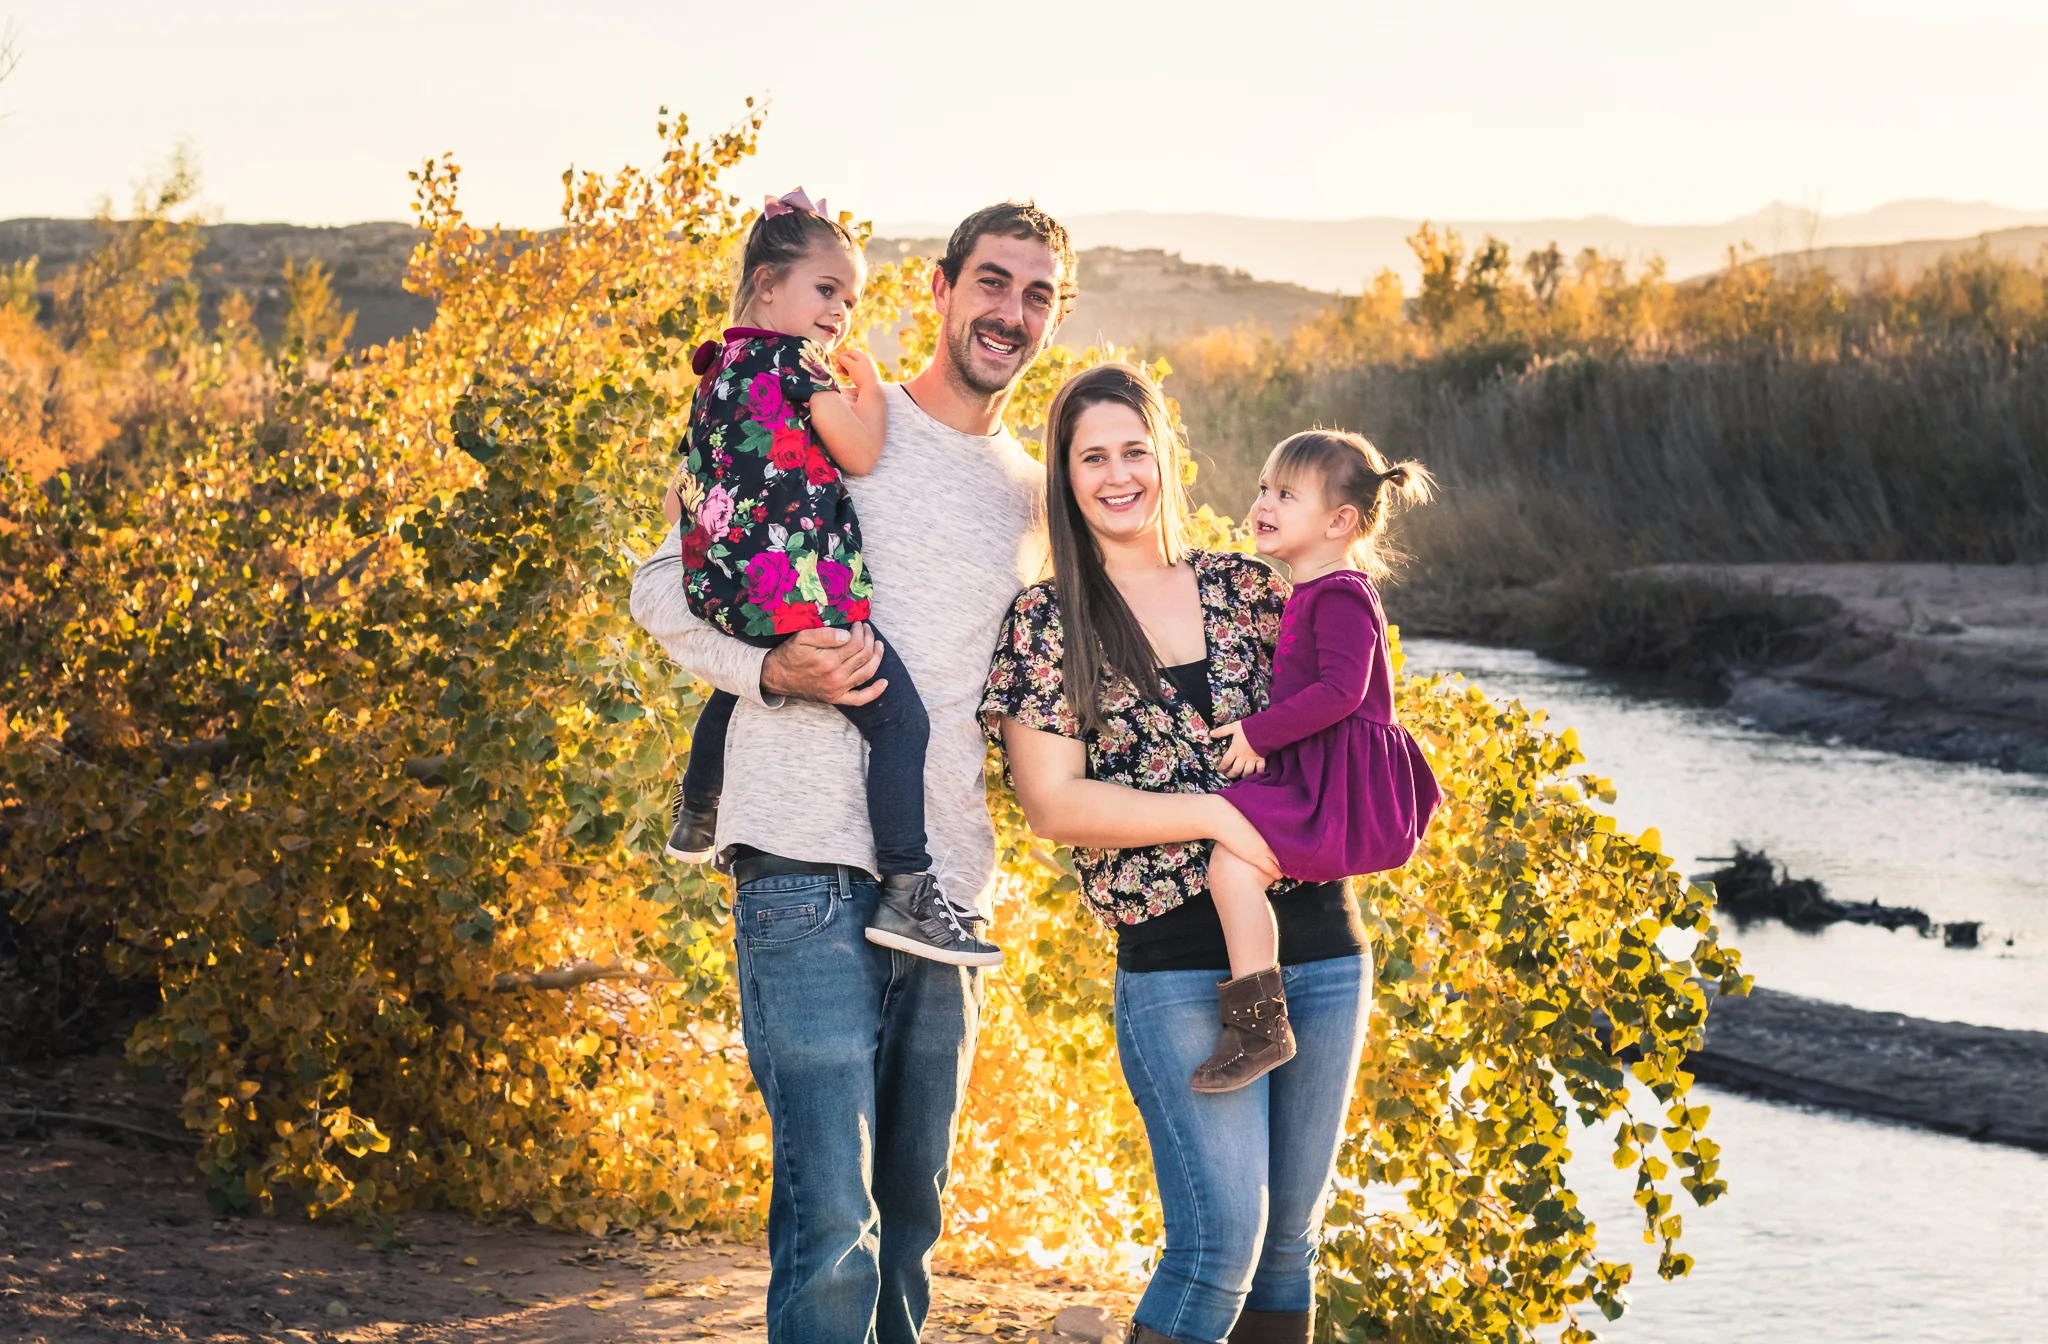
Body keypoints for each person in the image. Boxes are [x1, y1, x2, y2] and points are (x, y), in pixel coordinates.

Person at [631, 202, 1073, 1344]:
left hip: (946, 889)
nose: (1008, 311)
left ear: (1052, 318)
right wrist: (773, 668)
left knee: (909, 1225)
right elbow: (657, 589)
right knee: (831, 1224)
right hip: (801, 861)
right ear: (938, 290)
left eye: (1035, 294)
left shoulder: (1033, 496)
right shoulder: (829, 412)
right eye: (991, 282)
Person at [981, 365, 1368, 1344]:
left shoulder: (1251, 589)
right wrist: (1218, 817)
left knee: (1289, 1240)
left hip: (1319, 941)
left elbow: (1342, 715)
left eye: (1133, 451)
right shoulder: (1045, 622)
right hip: (1173, 960)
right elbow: (1053, 804)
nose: (1117, 476)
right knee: (1218, 1239)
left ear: (1165, 456)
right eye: (1091, 457)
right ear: (1064, 479)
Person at [658, 185, 997, 968]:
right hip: (794, 579)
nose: (841, 311)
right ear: (768, 284)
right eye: (826, 289)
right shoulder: (791, 364)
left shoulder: (719, 366)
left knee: (733, 682)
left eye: (851, 298)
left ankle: (698, 807)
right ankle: (910, 889)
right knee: (899, 723)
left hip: (726, 580)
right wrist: (868, 389)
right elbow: (862, 453)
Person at [1193, 431, 1442, 1092]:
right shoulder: (1312, 590)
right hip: (1320, 769)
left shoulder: (1340, 595)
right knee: (1235, 861)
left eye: (1284, 494)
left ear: (1340, 522)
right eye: (1262, 489)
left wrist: (1257, 735)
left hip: (1335, 780)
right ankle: (1259, 1020)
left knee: (1230, 862)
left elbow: (1342, 692)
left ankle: (1259, 1027)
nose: (1262, 504)